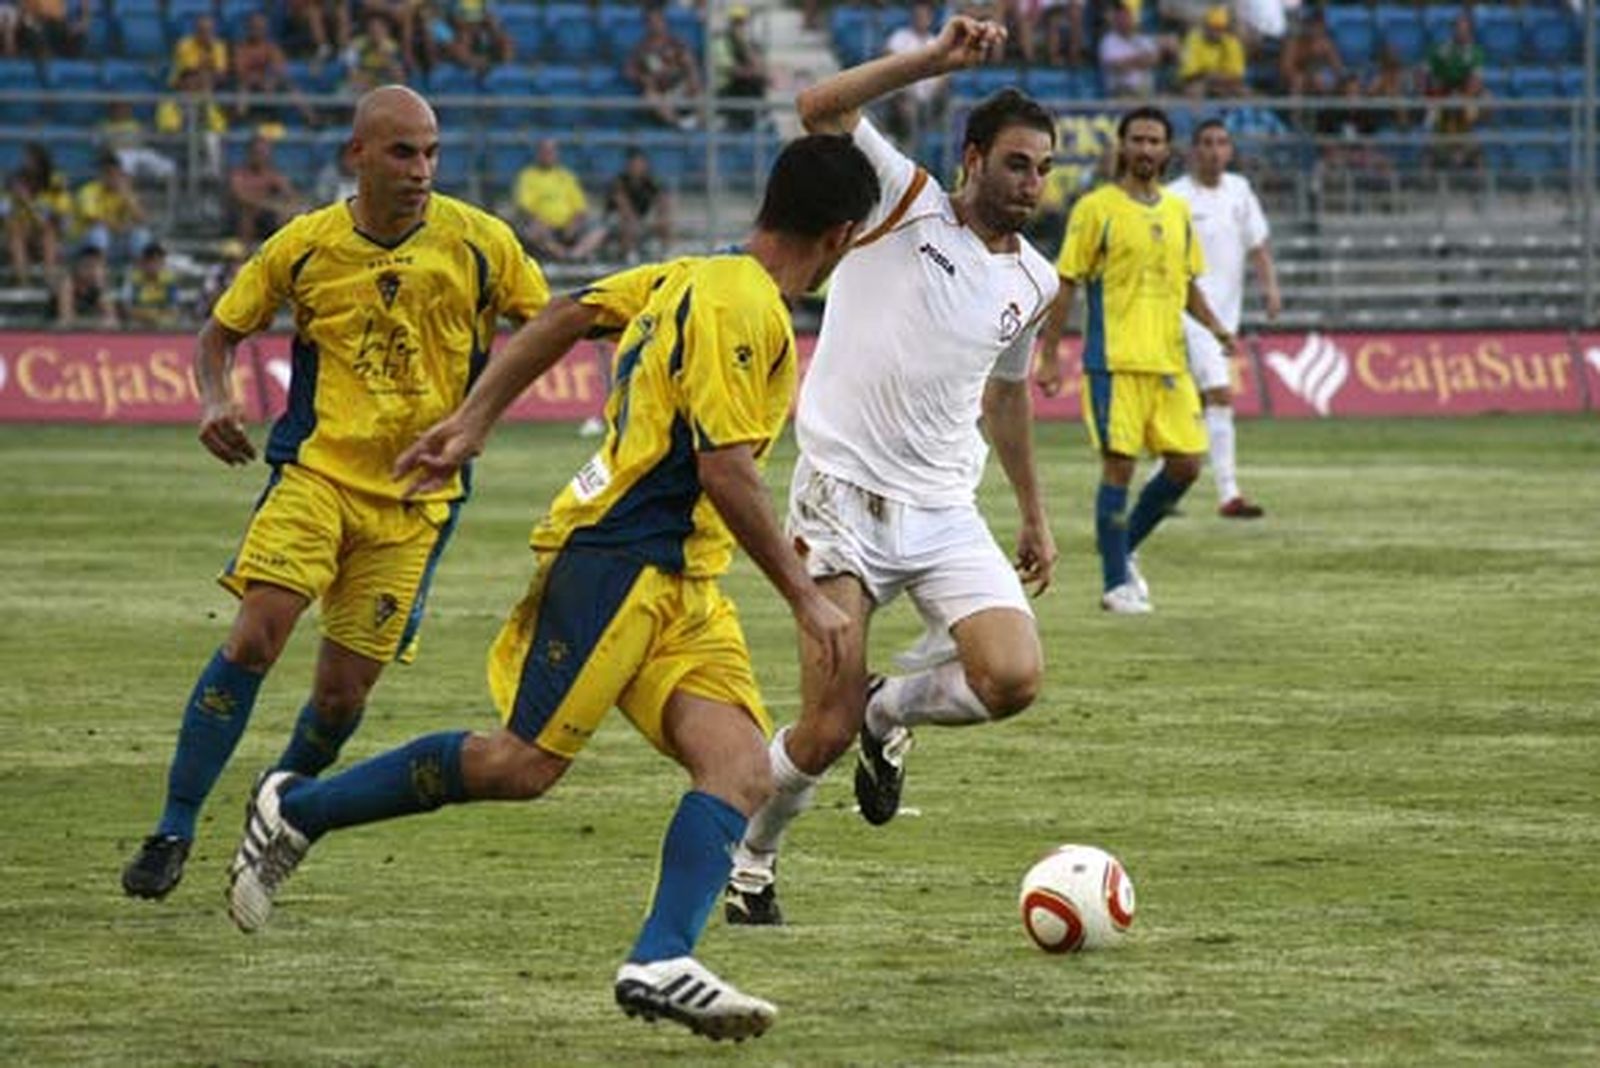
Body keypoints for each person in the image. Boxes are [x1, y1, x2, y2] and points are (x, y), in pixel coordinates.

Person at [222, 134, 882, 1044]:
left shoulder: (690, 273)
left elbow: (568, 313)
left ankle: (660, 958)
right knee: (521, 765)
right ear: (842, 233)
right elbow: (725, 470)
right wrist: (806, 596)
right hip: (618, 561)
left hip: (683, 577)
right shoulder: (748, 308)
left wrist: (473, 418)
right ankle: (295, 808)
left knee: (736, 769)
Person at [119, 85, 550, 901]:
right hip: (315, 476)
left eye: (430, 153)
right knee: (256, 636)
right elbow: (219, 335)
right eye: (401, 152)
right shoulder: (306, 245)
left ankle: (277, 806)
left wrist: (480, 414)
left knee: (341, 695)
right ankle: (173, 827)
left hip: (416, 502)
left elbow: (546, 323)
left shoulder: (481, 243)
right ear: (357, 154)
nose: (421, 170)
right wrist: (215, 397)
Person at [722, 16, 1060, 926]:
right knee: (819, 731)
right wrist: (935, 62)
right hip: (842, 502)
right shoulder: (900, 200)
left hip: (947, 509)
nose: (1031, 185)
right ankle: (752, 862)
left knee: (1014, 679)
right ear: (974, 156)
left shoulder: (1036, 281)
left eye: (1045, 170)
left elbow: (1010, 395)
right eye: (1018, 164)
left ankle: (890, 709)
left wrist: (1033, 514)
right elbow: (818, 106)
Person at [1035, 106, 1237, 613]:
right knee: (1119, 469)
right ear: (1122, 147)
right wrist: (1051, 354)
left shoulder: (1176, 212)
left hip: (1169, 366)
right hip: (1115, 363)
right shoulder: (1095, 209)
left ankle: (1123, 553)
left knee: (1188, 465)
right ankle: (1115, 584)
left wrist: (1216, 329)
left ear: (1168, 151)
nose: (1146, 149)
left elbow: (1188, 284)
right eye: (1138, 140)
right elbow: (1067, 282)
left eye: (1155, 141)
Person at [1165, 119, 1279, 519]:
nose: (1215, 150)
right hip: (1189, 313)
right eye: (1207, 143)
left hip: (1226, 316)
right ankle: (1229, 494)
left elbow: (1258, 244)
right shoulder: (1174, 197)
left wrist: (1271, 289)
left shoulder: (1239, 191)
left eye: (1222, 143)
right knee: (1220, 394)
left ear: (1229, 150)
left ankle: (1160, 488)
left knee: (1188, 403)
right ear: (1193, 150)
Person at [511, 138, 607, 263]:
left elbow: (580, 208)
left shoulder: (567, 176)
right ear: (538, 154)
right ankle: (561, 255)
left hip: (568, 227)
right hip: (543, 227)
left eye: (551, 151)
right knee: (532, 231)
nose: (548, 155)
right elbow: (524, 208)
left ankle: (574, 256)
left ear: (557, 154)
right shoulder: (528, 176)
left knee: (600, 230)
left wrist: (573, 224)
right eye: (544, 151)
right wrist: (541, 223)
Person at [625, 6, 701, 129]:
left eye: (658, 21)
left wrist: (692, 80)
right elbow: (628, 71)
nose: (655, 25)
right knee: (649, 96)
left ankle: (701, 124)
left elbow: (690, 64)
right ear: (646, 25)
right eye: (651, 22)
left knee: (700, 87)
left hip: (680, 87)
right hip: (660, 92)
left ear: (664, 22)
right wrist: (642, 78)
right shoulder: (641, 48)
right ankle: (677, 124)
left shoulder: (676, 42)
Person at [228, 134, 301, 243]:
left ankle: (285, 253)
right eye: (258, 153)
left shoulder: (272, 174)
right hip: (241, 217)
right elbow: (240, 197)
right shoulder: (239, 174)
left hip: (267, 215)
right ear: (250, 153)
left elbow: (290, 194)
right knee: (248, 214)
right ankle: (244, 254)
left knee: (288, 214)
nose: (261, 156)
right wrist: (269, 204)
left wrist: (287, 207)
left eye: (264, 153)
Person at [607, 147, 671, 263]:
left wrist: (660, 217)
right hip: (615, 218)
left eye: (641, 164)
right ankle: (630, 257)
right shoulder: (620, 181)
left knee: (664, 223)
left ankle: (665, 254)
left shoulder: (651, 181)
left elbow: (662, 201)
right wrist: (636, 222)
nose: (638, 167)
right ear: (628, 165)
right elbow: (623, 207)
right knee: (628, 224)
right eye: (635, 164)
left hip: (641, 216)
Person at [1178, 6, 1247, 99]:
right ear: (1205, 26)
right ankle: (1197, 113)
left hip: (1224, 83)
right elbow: (1190, 74)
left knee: (1243, 91)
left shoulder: (1233, 43)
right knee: (1195, 89)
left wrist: (1218, 79)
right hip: (1199, 81)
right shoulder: (1192, 40)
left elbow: (1236, 75)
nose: (1216, 32)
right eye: (1212, 27)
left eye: (1220, 28)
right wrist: (1211, 77)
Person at [52, 243, 116, 327]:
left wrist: (102, 288)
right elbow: (66, 318)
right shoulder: (67, 284)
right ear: (78, 267)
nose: (93, 271)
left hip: (81, 331)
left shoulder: (97, 287)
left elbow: (112, 319)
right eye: (88, 266)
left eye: (97, 267)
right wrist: (96, 323)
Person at [119, 240, 179, 328]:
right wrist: (149, 315)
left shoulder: (169, 279)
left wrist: (156, 315)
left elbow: (174, 309)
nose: (153, 264)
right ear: (143, 261)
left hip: (161, 322)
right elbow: (127, 308)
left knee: (168, 323)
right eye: (150, 260)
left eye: (157, 260)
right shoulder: (134, 278)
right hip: (138, 321)